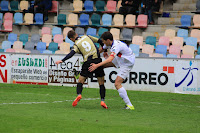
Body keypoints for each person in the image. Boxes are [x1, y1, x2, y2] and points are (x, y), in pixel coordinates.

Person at [55, 30, 108, 109]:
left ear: (71, 39)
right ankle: (102, 101)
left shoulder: (76, 44)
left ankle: (79, 94)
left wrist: (62, 60)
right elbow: (100, 41)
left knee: (80, 81)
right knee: (101, 83)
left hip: (87, 62)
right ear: (76, 34)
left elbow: (71, 54)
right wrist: (105, 51)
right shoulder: (87, 36)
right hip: (97, 61)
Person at [89, 31, 135, 110]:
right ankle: (100, 83)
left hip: (127, 63)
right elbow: (100, 50)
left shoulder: (116, 46)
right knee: (101, 66)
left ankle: (130, 105)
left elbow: (110, 59)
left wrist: (96, 65)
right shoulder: (109, 44)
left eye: (103, 41)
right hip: (120, 59)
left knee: (117, 84)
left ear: (107, 40)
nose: (103, 42)